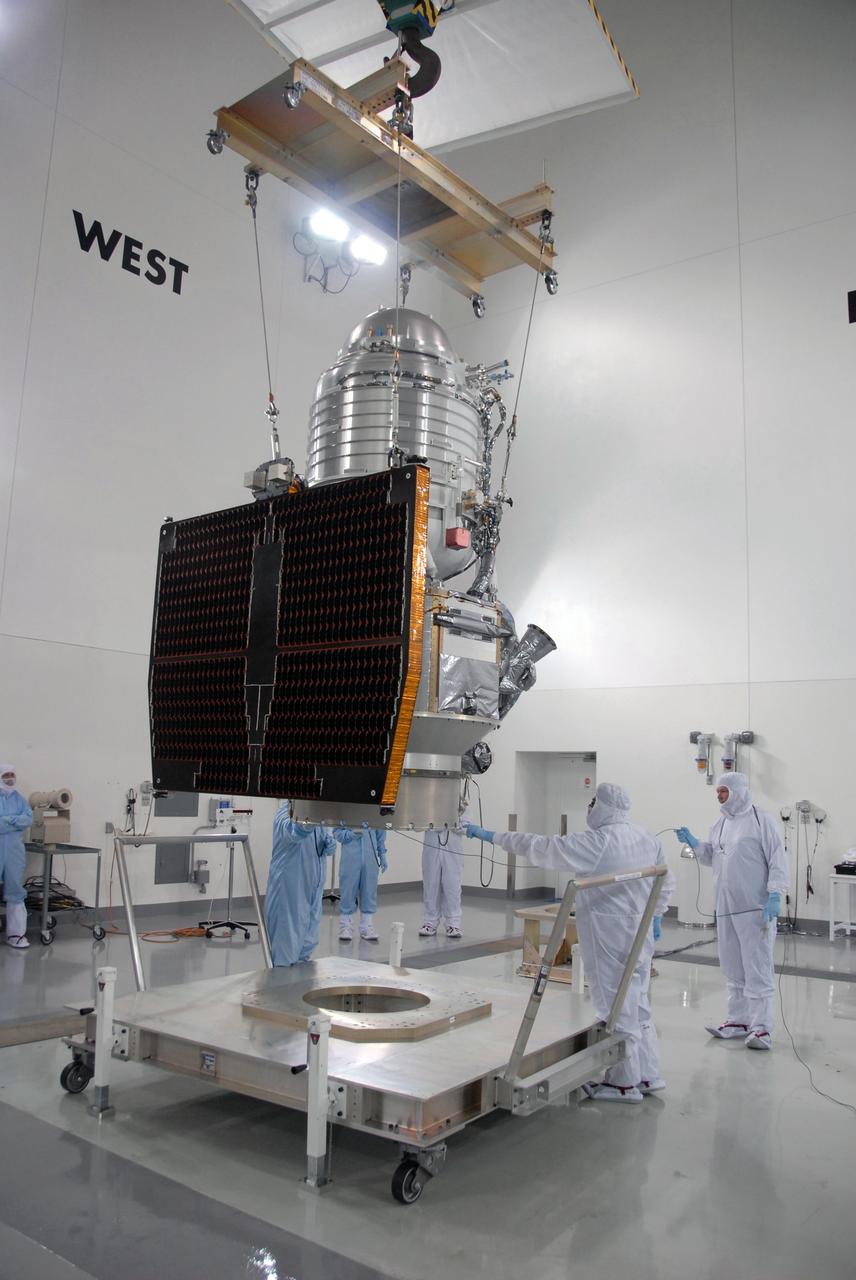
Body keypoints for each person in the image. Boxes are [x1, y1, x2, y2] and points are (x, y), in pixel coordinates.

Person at [466, 783, 668, 1104]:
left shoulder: (599, 841)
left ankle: (623, 1082)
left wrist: (492, 836)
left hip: (609, 933)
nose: (589, 808)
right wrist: (656, 915)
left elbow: (544, 847)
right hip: (639, 932)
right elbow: (663, 880)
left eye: (593, 802)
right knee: (637, 1000)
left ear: (604, 806)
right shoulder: (645, 837)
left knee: (615, 1004)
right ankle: (648, 1073)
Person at [676, 771, 788, 1050]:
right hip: (726, 907)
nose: (719, 796)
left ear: (738, 791)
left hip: (755, 907)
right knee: (732, 964)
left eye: (724, 791)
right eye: (718, 792)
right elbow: (713, 856)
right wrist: (694, 843)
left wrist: (775, 894)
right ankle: (738, 1020)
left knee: (757, 965)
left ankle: (761, 1028)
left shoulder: (763, 821)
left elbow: (778, 859)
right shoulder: (720, 823)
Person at [265, 802, 336, 966]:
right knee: (286, 947)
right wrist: (307, 823)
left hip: (313, 888)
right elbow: (293, 832)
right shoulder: (285, 811)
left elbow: (322, 842)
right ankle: (281, 987)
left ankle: (298, 983)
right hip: (290, 888)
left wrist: (328, 843)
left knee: (308, 943)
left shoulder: (318, 817)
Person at [334, 822, 388, 942]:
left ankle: (366, 926)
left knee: (369, 891)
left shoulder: (374, 811)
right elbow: (337, 833)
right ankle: (346, 926)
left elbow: (380, 833)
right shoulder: (347, 809)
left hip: (370, 858)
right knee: (347, 890)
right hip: (350, 857)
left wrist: (382, 854)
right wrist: (351, 834)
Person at [1, 764, 33, 950]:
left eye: (12, 774)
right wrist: (14, 821)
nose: (10, 778)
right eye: (6, 775)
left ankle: (16, 935)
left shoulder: (19, 798)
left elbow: (27, 820)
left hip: (14, 851)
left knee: (15, 891)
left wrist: (6, 820)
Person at [419, 815, 465, 939]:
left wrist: (453, 825)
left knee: (452, 885)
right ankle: (430, 922)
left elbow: (466, 825)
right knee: (430, 884)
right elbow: (418, 821)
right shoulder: (429, 797)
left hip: (453, 847)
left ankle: (453, 924)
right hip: (431, 844)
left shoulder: (461, 798)